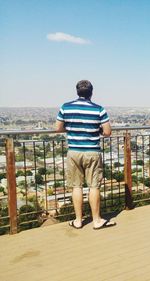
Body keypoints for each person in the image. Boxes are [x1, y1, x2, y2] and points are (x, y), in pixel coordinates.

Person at [55, 80, 116, 230]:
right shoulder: (99, 109)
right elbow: (107, 132)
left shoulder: (66, 107)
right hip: (92, 152)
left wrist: (71, 129)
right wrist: (97, 130)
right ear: (91, 92)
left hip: (74, 151)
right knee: (94, 186)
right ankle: (96, 221)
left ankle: (78, 221)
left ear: (77, 92)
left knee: (76, 186)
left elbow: (58, 128)